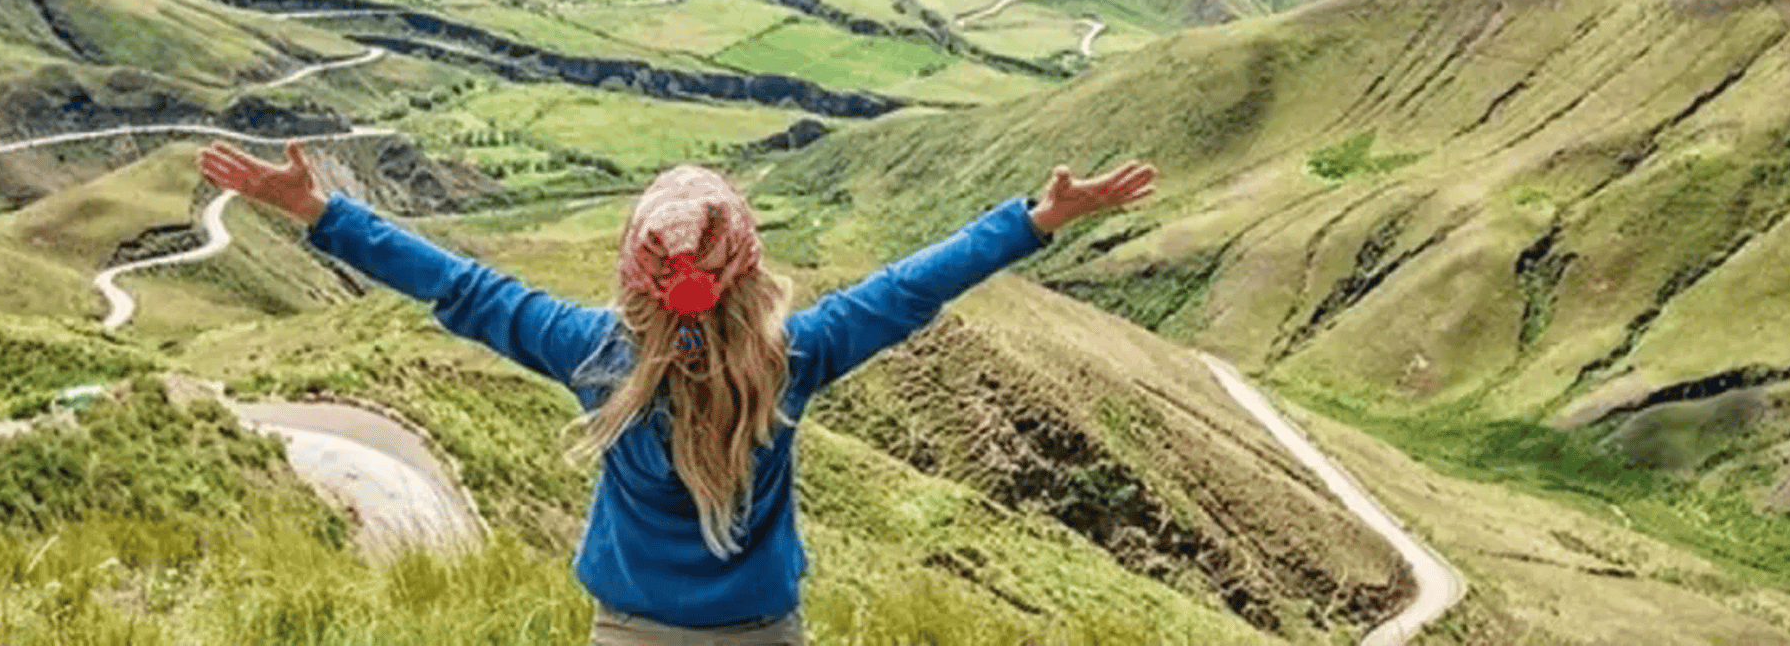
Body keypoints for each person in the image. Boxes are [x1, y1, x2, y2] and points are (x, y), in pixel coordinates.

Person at [197, 140, 1158, 646]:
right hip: (764, 634)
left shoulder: (593, 357)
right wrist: (1036, 220)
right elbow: (911, 288)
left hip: (629, 638)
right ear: (746, 268)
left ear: (631, 271)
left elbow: (460, 285)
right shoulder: (796, 356)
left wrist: (321, 211)